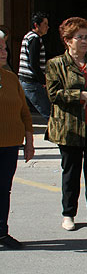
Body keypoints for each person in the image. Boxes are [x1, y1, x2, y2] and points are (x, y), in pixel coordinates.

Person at [45, 17, 87, 235]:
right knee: (70, 173)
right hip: (69, 127)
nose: (84, 41)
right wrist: (80, 95)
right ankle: (68, 213)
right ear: (67, 40)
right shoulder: (56, 64)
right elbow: (53, 94)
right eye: (79, 37)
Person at [0, 38, 34, 249]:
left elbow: (24, 112)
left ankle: (2, 232)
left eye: (4, 48)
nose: (4, 52)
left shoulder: (11, 78)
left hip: (10, 145)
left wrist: (29, 142)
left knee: (4, 189)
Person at [18, 12, 51, 120]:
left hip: (24, 80)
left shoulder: (28, 36)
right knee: (48, 112)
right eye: (45, 24)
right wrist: (42, 81)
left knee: (25, 113)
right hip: (31, 81)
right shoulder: (35, 38)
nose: (47, 27)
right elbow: (34, 63)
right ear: (37, 25)